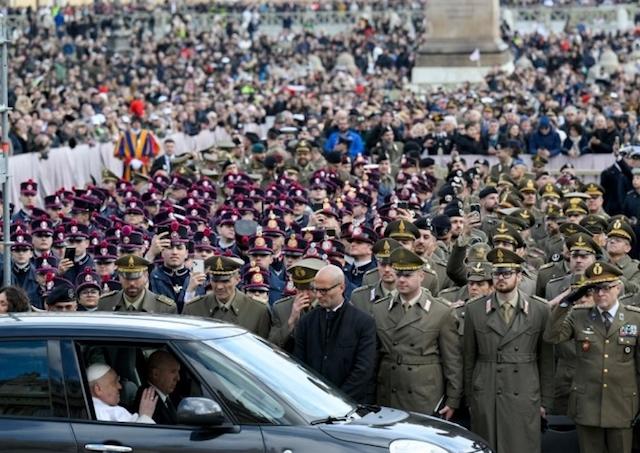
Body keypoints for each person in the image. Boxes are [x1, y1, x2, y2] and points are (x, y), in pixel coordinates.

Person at [463, 247, 553, 453]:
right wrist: (471, 397)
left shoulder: (539, 309)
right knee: (487, 445)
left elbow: (547, 359)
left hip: (524, 390)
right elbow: (469, 358)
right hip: (487, 389)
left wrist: (545, 401)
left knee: (521, 445)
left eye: (507, 273)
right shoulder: (474, 309)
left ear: (519, 276)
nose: (501, 278)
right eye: (496, 273)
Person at [544, 262, 640, 453]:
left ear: (618, 288)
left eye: (606, 288)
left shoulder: (634, 318)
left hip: (621, 404)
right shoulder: (579, 316)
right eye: (594, 289)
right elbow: (552, 337)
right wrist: (565, 303)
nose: (600, 294)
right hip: (587, 404)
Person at [372, 247, 462, 419]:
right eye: (399, 275)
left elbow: (452, 361)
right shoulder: (380, 308)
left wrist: (453, 399)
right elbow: (374, 356)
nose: (401, 280)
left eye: (407, 275)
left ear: (421, 276)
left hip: (423, 393)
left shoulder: (440, 311)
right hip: (389, 389)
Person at [294, 265, 377, 404]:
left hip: (350, 403)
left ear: (341, 288)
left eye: (324, 290)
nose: (318, 295)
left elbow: (363, 369)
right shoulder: (307, 322)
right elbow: (300, 363)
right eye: (316, 289)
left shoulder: (362, 322)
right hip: (312, 401)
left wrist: (338, 399)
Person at [183, 255, 270, 338]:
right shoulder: (194, 308)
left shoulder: (258, 310)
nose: (219, 286)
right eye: (215, 281)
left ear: (237, 279)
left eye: (225, 281)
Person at [269, 257, 326, 351]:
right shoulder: (281, 308)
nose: (304, 294)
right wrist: (290, 322)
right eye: (300, 288)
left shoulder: (328, 305)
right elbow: (272, 345)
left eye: (309, 289)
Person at [97, 254, 177, 313]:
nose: (132, 283)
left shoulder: (164, 308)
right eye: (127, 278)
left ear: (146, 276)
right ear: (120, 277)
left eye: (136, 278)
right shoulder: (105, 303)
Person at [87, 363, 157, 424]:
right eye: (115, 382)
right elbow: (135, 437)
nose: (120, 387)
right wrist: (145, 415)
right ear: (98, 389)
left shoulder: (89, 410)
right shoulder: (108, 413)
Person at [135, 351, 181, 425]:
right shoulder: (147, 400)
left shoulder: (170, 397)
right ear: (155, 374)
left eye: (178, 372)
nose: (178, 378)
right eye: (173, 372)